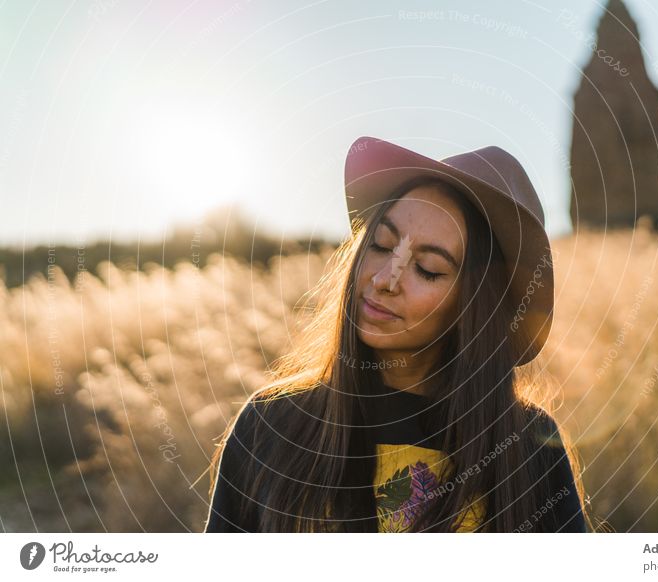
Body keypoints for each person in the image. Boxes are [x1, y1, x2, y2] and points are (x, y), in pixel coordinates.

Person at [203, 136, 590, 533]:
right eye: (382, 244)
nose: (385, 279)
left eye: (427, 269)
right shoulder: (272, 424)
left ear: (476, 307)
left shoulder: (529, 449)